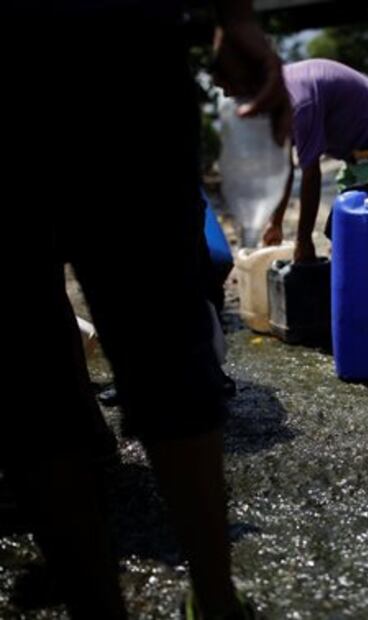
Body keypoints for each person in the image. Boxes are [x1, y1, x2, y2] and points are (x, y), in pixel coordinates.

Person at [3, 1, 291, 618]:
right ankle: (214, 599)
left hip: (105, 39)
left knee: (25, 359)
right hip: (118, 42)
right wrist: (234, 14)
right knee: (157, 326)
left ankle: (154, 603)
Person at [258, 59, 368, 262]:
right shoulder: (276, 95)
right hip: (359, 153)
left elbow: (311, 173)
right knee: (352, 221)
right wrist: (276, 222)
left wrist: (304, 240)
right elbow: (285, 168)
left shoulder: (299, 105)